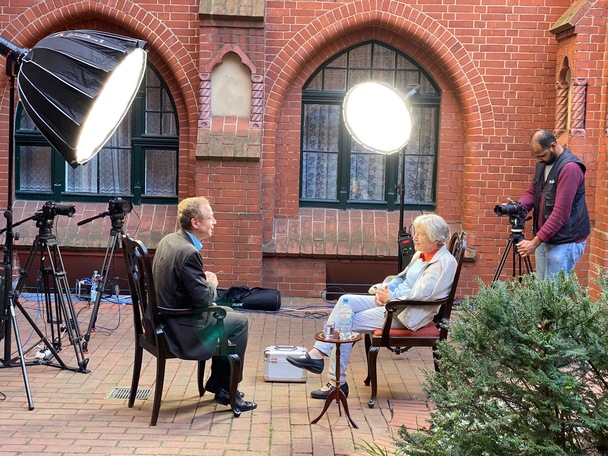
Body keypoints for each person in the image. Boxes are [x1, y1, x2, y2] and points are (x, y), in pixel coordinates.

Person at [286, 214, 457, 399]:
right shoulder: (420, 255)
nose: (414, 237)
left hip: (405, 314)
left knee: (346, 323)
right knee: (345, 301)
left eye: (421, 234)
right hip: (392, 303)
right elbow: (402, 278)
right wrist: (384, 289)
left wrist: (390, 297)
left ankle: (336, 382)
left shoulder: (443, 263)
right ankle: (319, 355)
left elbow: (422, 295)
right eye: (416, 232)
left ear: (434, 238)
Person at [152, 196, 257, 411]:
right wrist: (211, 283)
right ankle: (228, 388)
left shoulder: (169, 240)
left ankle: (220, 384)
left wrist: (201, 281)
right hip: (180, 329)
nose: (215, 222)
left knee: (227, 312)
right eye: (210, 218)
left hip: (163, 319)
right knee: (240, 322)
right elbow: (203, 300)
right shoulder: (189, 252)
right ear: (195, 223)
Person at [508, 130, 590, 280]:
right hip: (546, 238)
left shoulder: (570, 168)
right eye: (536, 157)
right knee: (542, 293)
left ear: (553, 146)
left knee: (553, 295)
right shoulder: (543, 165)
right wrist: (517, 207)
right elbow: (533, 193)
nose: (539, 160)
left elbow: (561, 213)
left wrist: (534, 242)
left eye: (541, 155)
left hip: (565, 241)